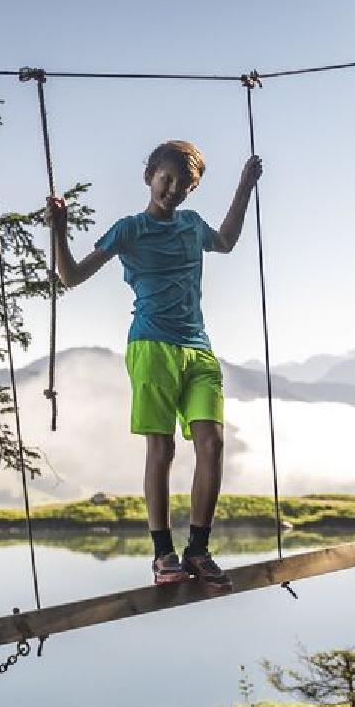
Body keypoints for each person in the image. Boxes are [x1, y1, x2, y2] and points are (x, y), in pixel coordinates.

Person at [46, 141, 262, 591]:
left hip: (198, 348)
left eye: (183, 186)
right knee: (161, 450)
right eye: (166, 180)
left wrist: (245, 186)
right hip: (151, 346)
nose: (172, 190)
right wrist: (59, 230)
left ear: (191, 190)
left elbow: (225, 241)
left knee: (212, 443)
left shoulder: (192, 225)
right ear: (150, 176)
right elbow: (71, 277)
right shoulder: (129, 230)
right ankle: (163, 555)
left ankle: (198, 549)